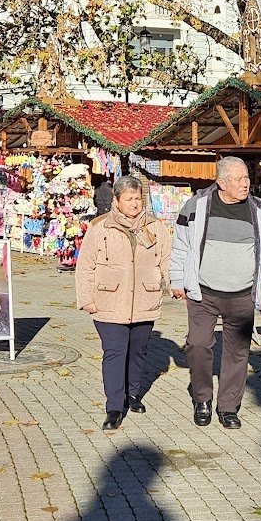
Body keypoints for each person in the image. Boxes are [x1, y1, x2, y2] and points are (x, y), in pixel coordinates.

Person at [168, 156, 261, 430]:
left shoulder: (257, 209)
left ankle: (228, 406)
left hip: (242, 294)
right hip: (203, 292)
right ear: (221, 183)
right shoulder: (197, 205)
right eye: (239, 179)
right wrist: (176, 279)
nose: (246, 184)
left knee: (237, 352)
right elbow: (181, 244)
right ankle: (202, 398)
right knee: (197, 344)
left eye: (246, 178)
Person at [76, 176, 172, 432]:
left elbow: (167, 260)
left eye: (137, 199)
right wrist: (86, 298)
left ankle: (132, 394)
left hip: (144, 298)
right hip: (108, 301)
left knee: (138, 351)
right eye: (128, 199)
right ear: (116, 201)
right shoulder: (100, 228)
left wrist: (176, 285)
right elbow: (85, 266)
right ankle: (114, 406)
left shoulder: (155, 227)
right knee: (115, 352)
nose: (134, 204)